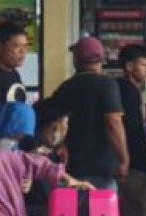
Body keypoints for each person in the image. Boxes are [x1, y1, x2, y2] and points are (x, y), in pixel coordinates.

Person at [46, 37, 128, 190]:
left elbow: (50, 120)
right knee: (101, 213)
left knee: (75, 213)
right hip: (101, 171)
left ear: (77, 59)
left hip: (72, 170)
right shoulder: (107, 85)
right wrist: (123, 160)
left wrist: (60, 145)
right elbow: (113, 123)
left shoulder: (66, 87)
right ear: (101, 59)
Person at [115, 45, 146, 216]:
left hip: (128, 163)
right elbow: (131, 131)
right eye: (143, 65)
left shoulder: (122, 89)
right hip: (133, 166)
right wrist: (138, 160)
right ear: (129, 66)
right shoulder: (128, 91)